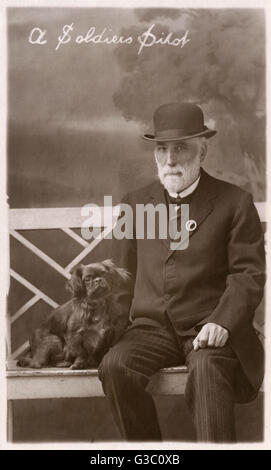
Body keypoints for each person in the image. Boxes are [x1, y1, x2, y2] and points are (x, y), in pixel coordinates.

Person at [98, 102, 265, 442]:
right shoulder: (136, 203)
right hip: (151, 329)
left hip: (210, 327)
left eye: (181, 148)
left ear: (201, 151)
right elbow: (120, 279)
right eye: (162, 149)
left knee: (206, 368)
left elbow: (248, 274)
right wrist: (108, 332)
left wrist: (223, 321)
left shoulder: (234, 202)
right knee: (116, 366)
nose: (171, 160)